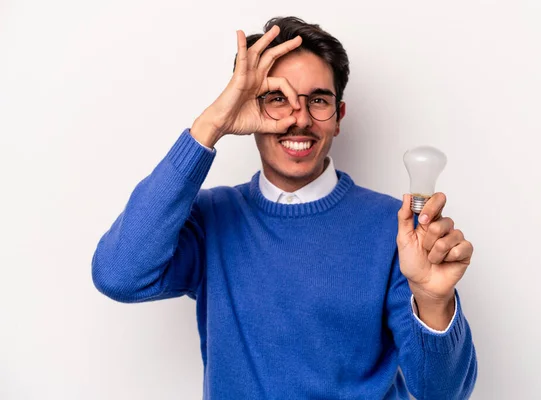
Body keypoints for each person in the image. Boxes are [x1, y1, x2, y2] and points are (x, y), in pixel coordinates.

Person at [92, 16, 478, 399]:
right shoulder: (212, 219)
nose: (300, 119)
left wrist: (433, 302)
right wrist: (211, 126)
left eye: (319, 101)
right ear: (248, 108)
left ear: (338, 118)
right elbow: (119, 274)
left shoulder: (397, 230)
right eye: (278, 99)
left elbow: (442, 392)